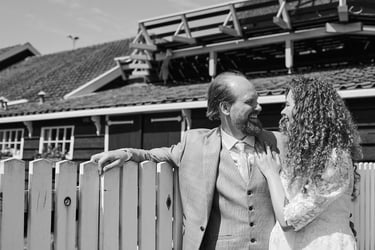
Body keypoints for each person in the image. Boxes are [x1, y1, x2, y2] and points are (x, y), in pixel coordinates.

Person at [91, 71, 284, 250]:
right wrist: (126, 153)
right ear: (225, 108)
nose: (259, 107)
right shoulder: (194, 144)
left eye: (257, 100)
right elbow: (152, 155)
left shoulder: (279, 142)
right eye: (250, 102)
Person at [254, 77, 362, 250]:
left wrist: (271, 173)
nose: (283, 112)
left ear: (307, 111)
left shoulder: (335, 159)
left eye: (288, 105)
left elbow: (288, 219)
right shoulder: (304, 157)